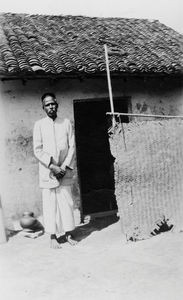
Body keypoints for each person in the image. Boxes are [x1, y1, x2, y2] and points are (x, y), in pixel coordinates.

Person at [33, 92, 77, 248]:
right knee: (50, 204)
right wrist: (53, 166)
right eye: (47, 104)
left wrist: (64, 167)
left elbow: (72, 146)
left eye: (53, 103)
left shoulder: (65, 123)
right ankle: (52, 236)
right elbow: (37, 149)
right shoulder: (39, 125)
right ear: (43, 107)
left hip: (64, 170)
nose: (50, 106)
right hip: (48, 171)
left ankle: (69, 233)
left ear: (57, 105)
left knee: (67, 202)